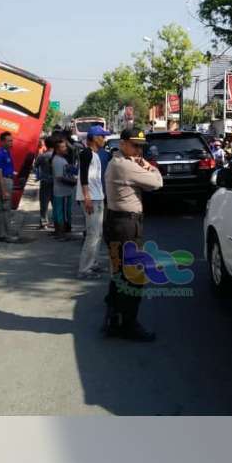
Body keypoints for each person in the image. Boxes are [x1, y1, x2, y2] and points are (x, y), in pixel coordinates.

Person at [102, 128, 163, 341]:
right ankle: (128, 325)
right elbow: (157, 183)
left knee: (119, 272)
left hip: (117, 222)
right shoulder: (125, 166)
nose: (139, 150)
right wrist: (148, 166)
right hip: (126, 225)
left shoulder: (115, 161)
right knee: (135, 276)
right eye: (135, 145)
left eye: (141, 146)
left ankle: (113, 318)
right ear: (122, 144)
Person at [76, 125, 110, 277]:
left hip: (98, 197)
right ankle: (84, 269)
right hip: (91, 199)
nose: (104, 139)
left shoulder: (96, 154)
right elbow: (83, 176)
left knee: (98, 234)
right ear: (95, 138)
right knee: (92, 234)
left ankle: (93, 263)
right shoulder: (86, 153)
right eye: (102, 136)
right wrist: (87, 197)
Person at [0, 131, 19, 243]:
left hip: (7, 179)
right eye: (9, 141)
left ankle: (0, 233)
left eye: (11, 140)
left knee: (0, 209)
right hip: (3, 181)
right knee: (5, 209)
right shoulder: (0, 153)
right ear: (2, 141)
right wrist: (3, 190)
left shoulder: (7, 152)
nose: (11, 142)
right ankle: (5, 235)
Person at [51, 136, 76, 240]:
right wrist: (74, 182)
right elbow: (60, 178)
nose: (65, 149)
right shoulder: (57, 161)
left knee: (59, 212)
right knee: (61, 213)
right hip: (62, 192)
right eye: (62, 147)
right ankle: (61, 234)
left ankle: (59, 232)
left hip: (62, 191)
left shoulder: (61, 159)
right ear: (57, 150)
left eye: (65, 146)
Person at [34, 137, 54, 230]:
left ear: (45, 144)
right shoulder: (57, 156)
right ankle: (57, 222)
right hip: (56, 182)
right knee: (56, 203)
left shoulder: (42, 156)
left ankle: (44, 222)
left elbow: (35, 166)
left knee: (44, 203)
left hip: (45, 181)